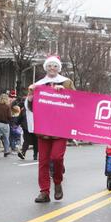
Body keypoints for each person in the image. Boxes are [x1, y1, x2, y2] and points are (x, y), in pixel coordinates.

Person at [28, 55, 75, 203]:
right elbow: (31, 108)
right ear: (45, 68)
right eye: (49, 66)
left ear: (59, 68)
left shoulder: (66, 82)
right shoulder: (39, 85)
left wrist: (66, 93)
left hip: (60, 129)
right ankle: (44, 191)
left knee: (56, 157)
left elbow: (76, 102)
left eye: (55, 66)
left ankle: (58, 181)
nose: (52, 68)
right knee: (43, 161)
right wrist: (30, 96)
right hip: (44, 129)